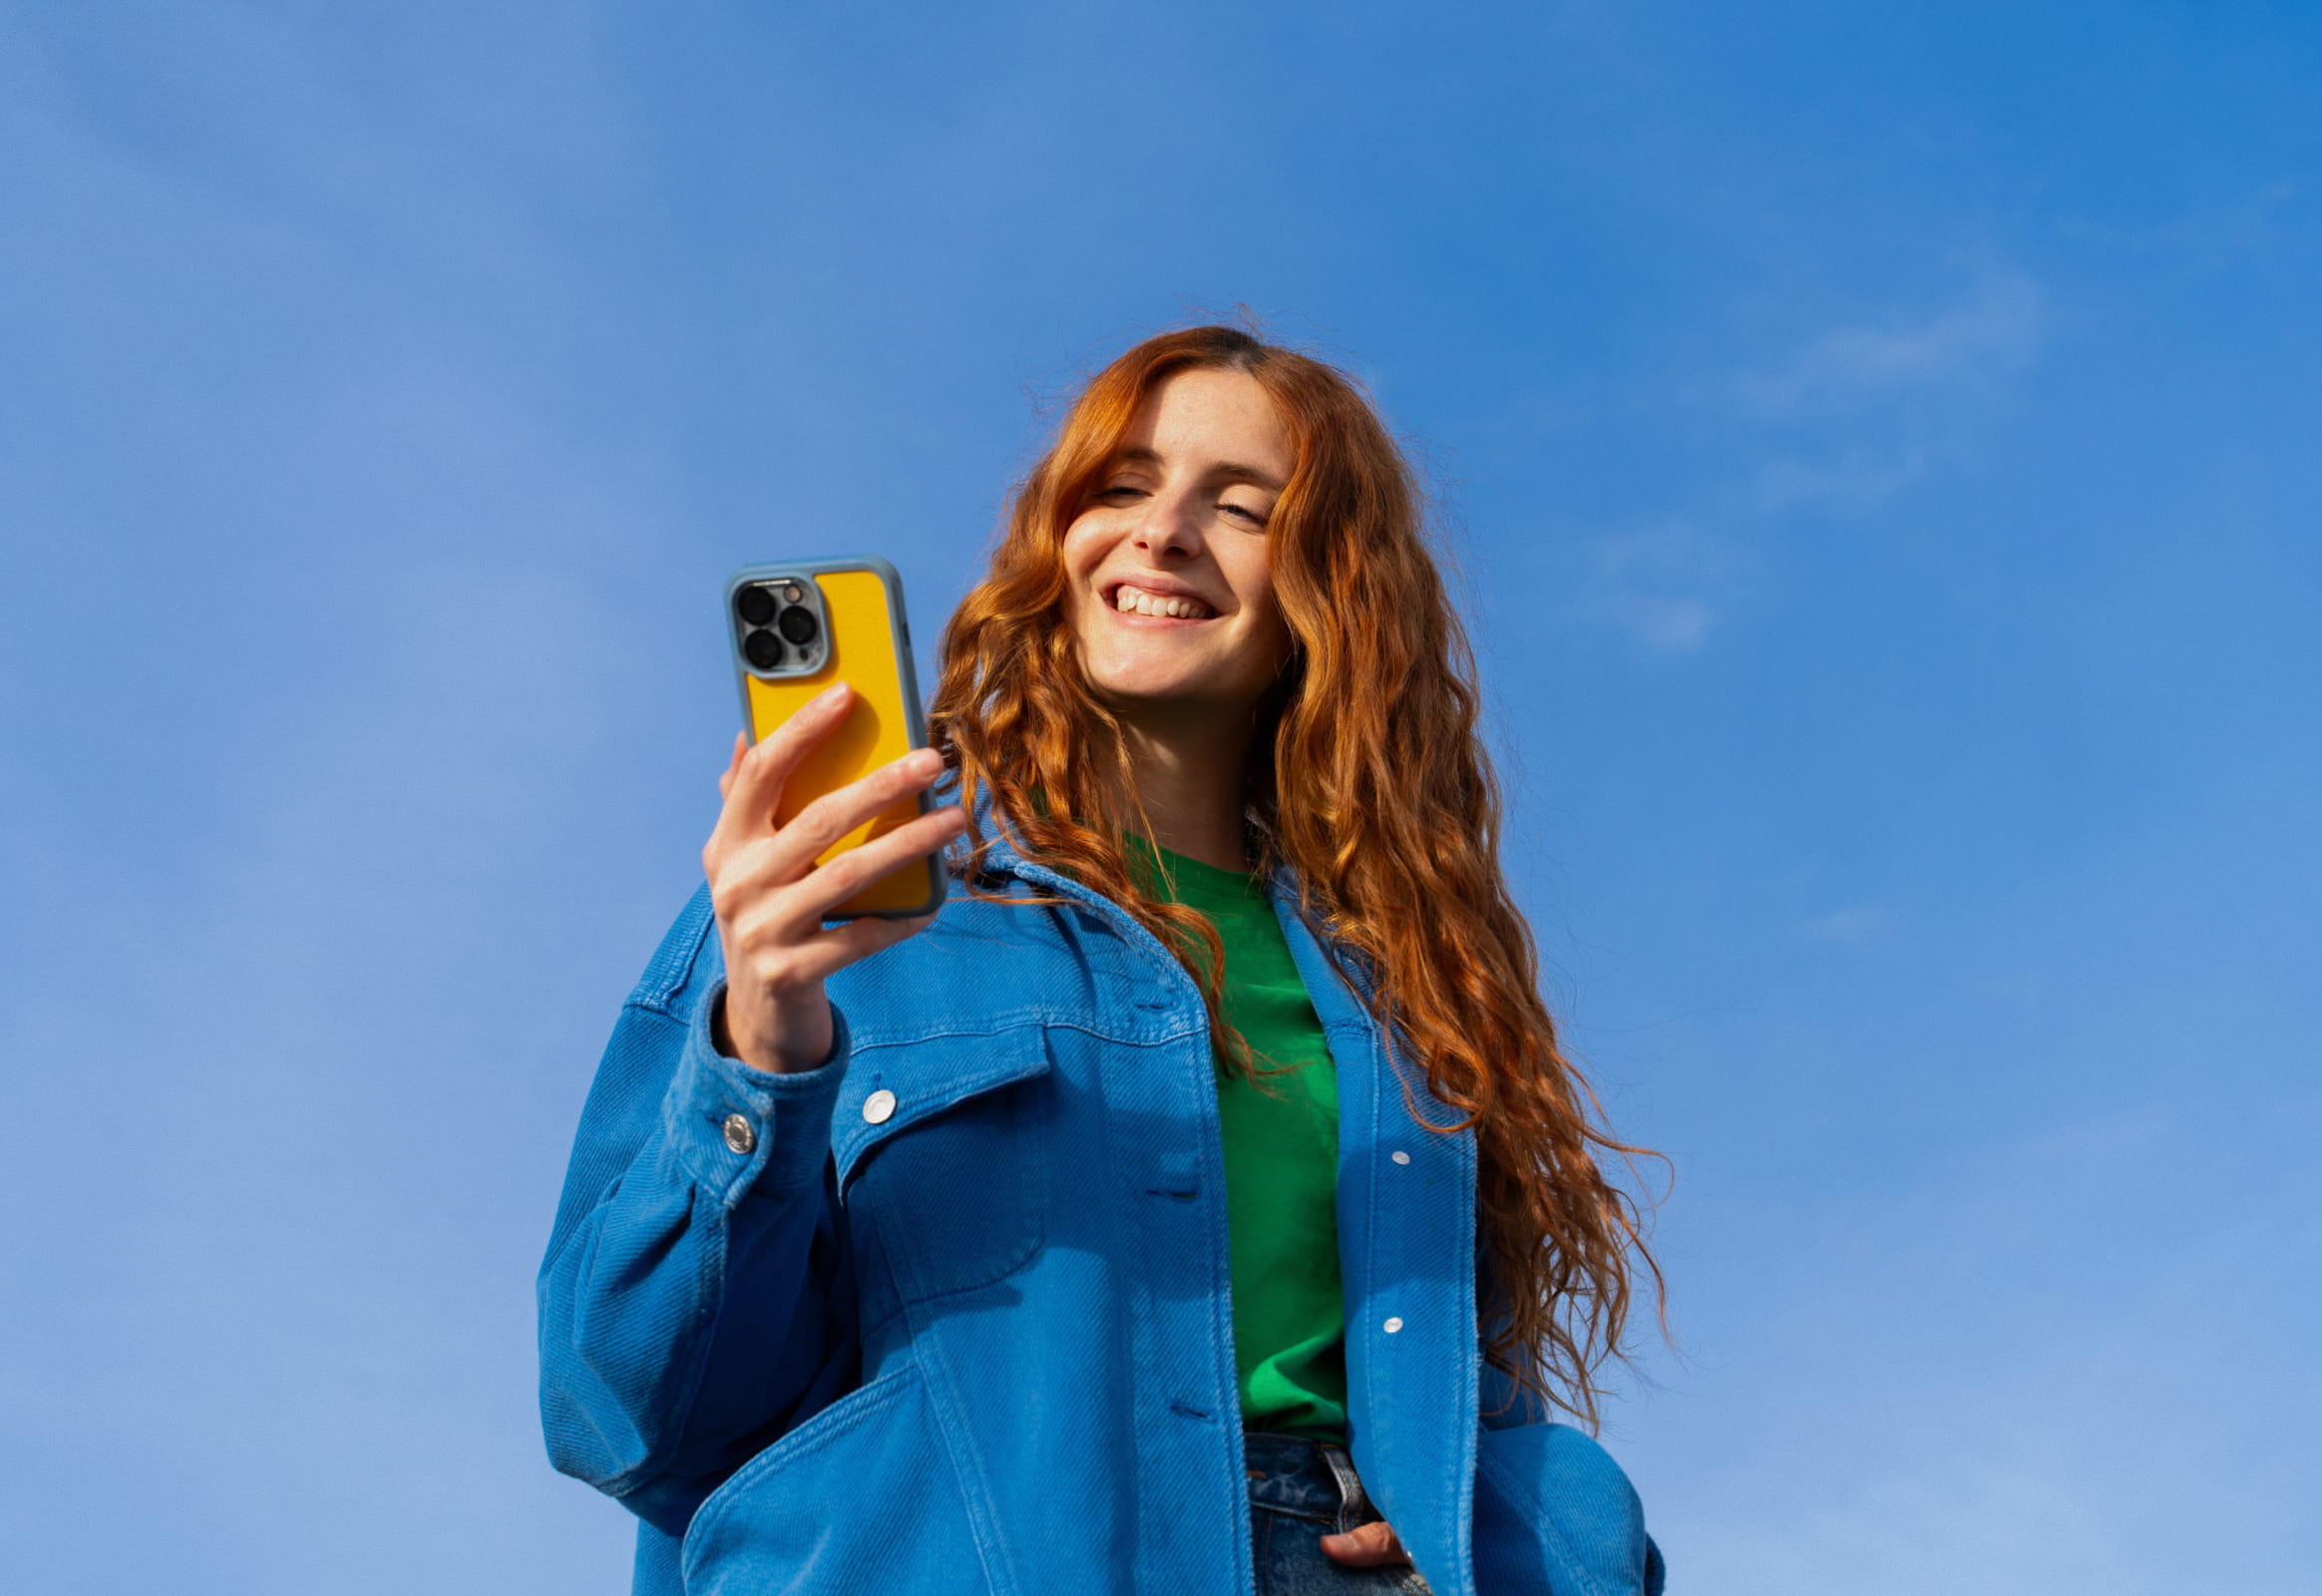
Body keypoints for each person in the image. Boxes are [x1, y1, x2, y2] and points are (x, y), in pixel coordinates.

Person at [539, 325, 1667, 1596]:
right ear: (1056, 540)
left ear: (1332, 590)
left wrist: (1545, 1522)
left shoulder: (1401, 986)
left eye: (1240, 507)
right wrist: (761, 1052)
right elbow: (626, 1414)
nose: (1164, 530)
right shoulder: (839, 894)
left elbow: (1477, 1402)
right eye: (1122, 486)